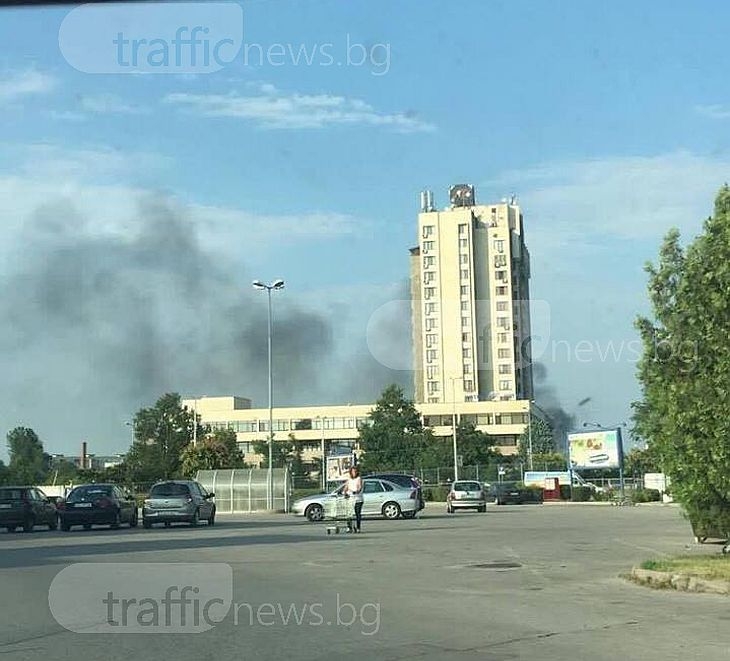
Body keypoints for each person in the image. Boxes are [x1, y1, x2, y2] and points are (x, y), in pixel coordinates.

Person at [343, 465, 364, 533]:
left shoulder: (359, 478)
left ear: (357, 472)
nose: (354, 473)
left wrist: (357, 491)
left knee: (357, 513)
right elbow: (345, 487)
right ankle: (349, 527)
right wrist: (345, 493)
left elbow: (360, 487)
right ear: (350, 472)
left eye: (355, 471)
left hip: (358, 499)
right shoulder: (349, 479)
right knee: (348, 513)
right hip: (350, 498)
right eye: (352, 471)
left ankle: (358, 528)